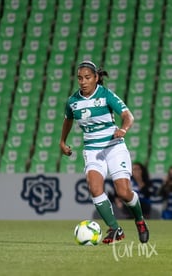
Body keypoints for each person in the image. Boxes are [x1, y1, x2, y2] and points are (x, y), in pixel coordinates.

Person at [59, 60, 149, 244]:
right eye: (79, 78)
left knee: (124, 192)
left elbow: (127, 116)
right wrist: (62, 141)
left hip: (114, 146)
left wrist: (123, 130)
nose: (83, 82)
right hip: (92, 150)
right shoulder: (72, 101)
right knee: (94, 189)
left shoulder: (106, 95)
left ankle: (139, 220)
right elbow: (68, 120)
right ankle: (115, 229)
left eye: (87, 77)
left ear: (96, 78)